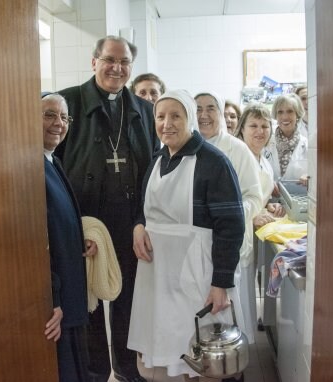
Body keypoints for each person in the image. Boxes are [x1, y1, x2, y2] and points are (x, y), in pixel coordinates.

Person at [55, 35, 158, 382]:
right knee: (91, 303)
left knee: (129, 300)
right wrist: (75, 226)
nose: (117, 68)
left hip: (130, 222)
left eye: (125, 62)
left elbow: (153, 172)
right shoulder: (67, 102)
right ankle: (96, 373)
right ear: (94, 61)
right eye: (109, 60)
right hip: (87, 224)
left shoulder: (145, 111)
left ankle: (129, 369)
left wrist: (143, 221)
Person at [129, 89, 245, 381]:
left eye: (175, 116)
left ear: (190, 118)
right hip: (157, 276)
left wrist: (221, 283)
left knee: (197, 357)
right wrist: (139, 226)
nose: (167, 123)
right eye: (160, 116)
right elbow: (145, 208)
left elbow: (231, 227)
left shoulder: (213, 162)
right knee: (165, 350)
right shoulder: (158, 159)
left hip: (196, 275)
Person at [195, 92, 262, 348]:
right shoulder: (186, 147)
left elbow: (254, 196)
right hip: (196, 249)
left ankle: (235, 360)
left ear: (221, 114)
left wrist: (226, 214)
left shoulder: (237, 149)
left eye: (211, 108)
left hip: (230, 243)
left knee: (233, 308)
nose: (204, 114)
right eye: (198, 108)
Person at [42, 93, 97, 382]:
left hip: (69, 296)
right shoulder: (31, 169)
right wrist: (50, 299)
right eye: (49, 115)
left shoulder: (52, 162)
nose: (59, 123)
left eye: (64, 117)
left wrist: (79, 240)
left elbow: (57, 224)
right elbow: (36, 244)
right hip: (56, 304)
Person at [233, 102, 285, 228]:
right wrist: (251, 218)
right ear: (242, 129)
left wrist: (267, 206)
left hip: (258, 234)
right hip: (238, 230)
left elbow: (256, 197)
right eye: (253, 126)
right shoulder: (234, 158)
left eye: (265, 126)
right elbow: (226, 203)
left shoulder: (265, 163)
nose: (260, 131)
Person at [266, 94, 308, 183]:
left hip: (298, 195)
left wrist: (310, 177)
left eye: (290, 111)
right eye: (280, 112)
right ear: (275, 116)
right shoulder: (265, 143)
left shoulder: (307, 145)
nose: (285, 117)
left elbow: (315, 174)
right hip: (270, 195)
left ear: (297, 114)